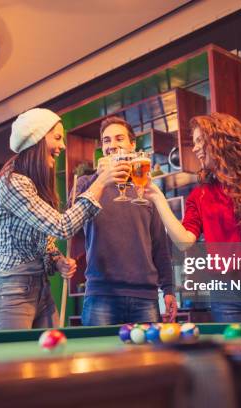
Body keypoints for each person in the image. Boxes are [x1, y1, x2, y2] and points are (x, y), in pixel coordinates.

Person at [145, 113, 241, 323]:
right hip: (226, 296)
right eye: (195, 142)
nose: (195, 148)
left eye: (201, 140)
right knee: (236, 355)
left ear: (222, 139)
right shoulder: (200, 194)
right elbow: (184, 242)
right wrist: (158, 198)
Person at [0, 108, 129, 330]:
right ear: (38, 139)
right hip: (11, 291)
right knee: (14, 363)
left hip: (41, 287)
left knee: (51, 360)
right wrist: (101, 182)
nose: (62, 146)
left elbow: (43, 240)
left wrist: (57, 260)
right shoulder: (13, 183)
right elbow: (62, 227)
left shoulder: (33, 184)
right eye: (57, 137)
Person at [71, 116, 176, 326]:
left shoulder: (146, 187)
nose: (112, 145)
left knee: (149, 359)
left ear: (132, 144)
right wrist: (99, 179)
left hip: (145, 297)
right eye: (107, 140)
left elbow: (159, 243)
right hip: (101, 294)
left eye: (119, 138)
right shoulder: (85, 183)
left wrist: (169, 289)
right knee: (99, 359)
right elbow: (70, 223)